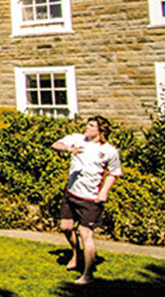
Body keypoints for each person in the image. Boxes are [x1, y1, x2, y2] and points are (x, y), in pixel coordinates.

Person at [52, 116, 122, 285]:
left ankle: (88, 274)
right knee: (65, 227)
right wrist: (70, 149)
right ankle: (77, 254)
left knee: (86, 234)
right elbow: (56, 144)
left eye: (91, 125)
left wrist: (104, 191)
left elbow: (113, 173)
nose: (87, 127)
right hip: (71, 193)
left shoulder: (109, 151)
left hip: (91, 198)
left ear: (100, 130)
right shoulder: (76, 138)